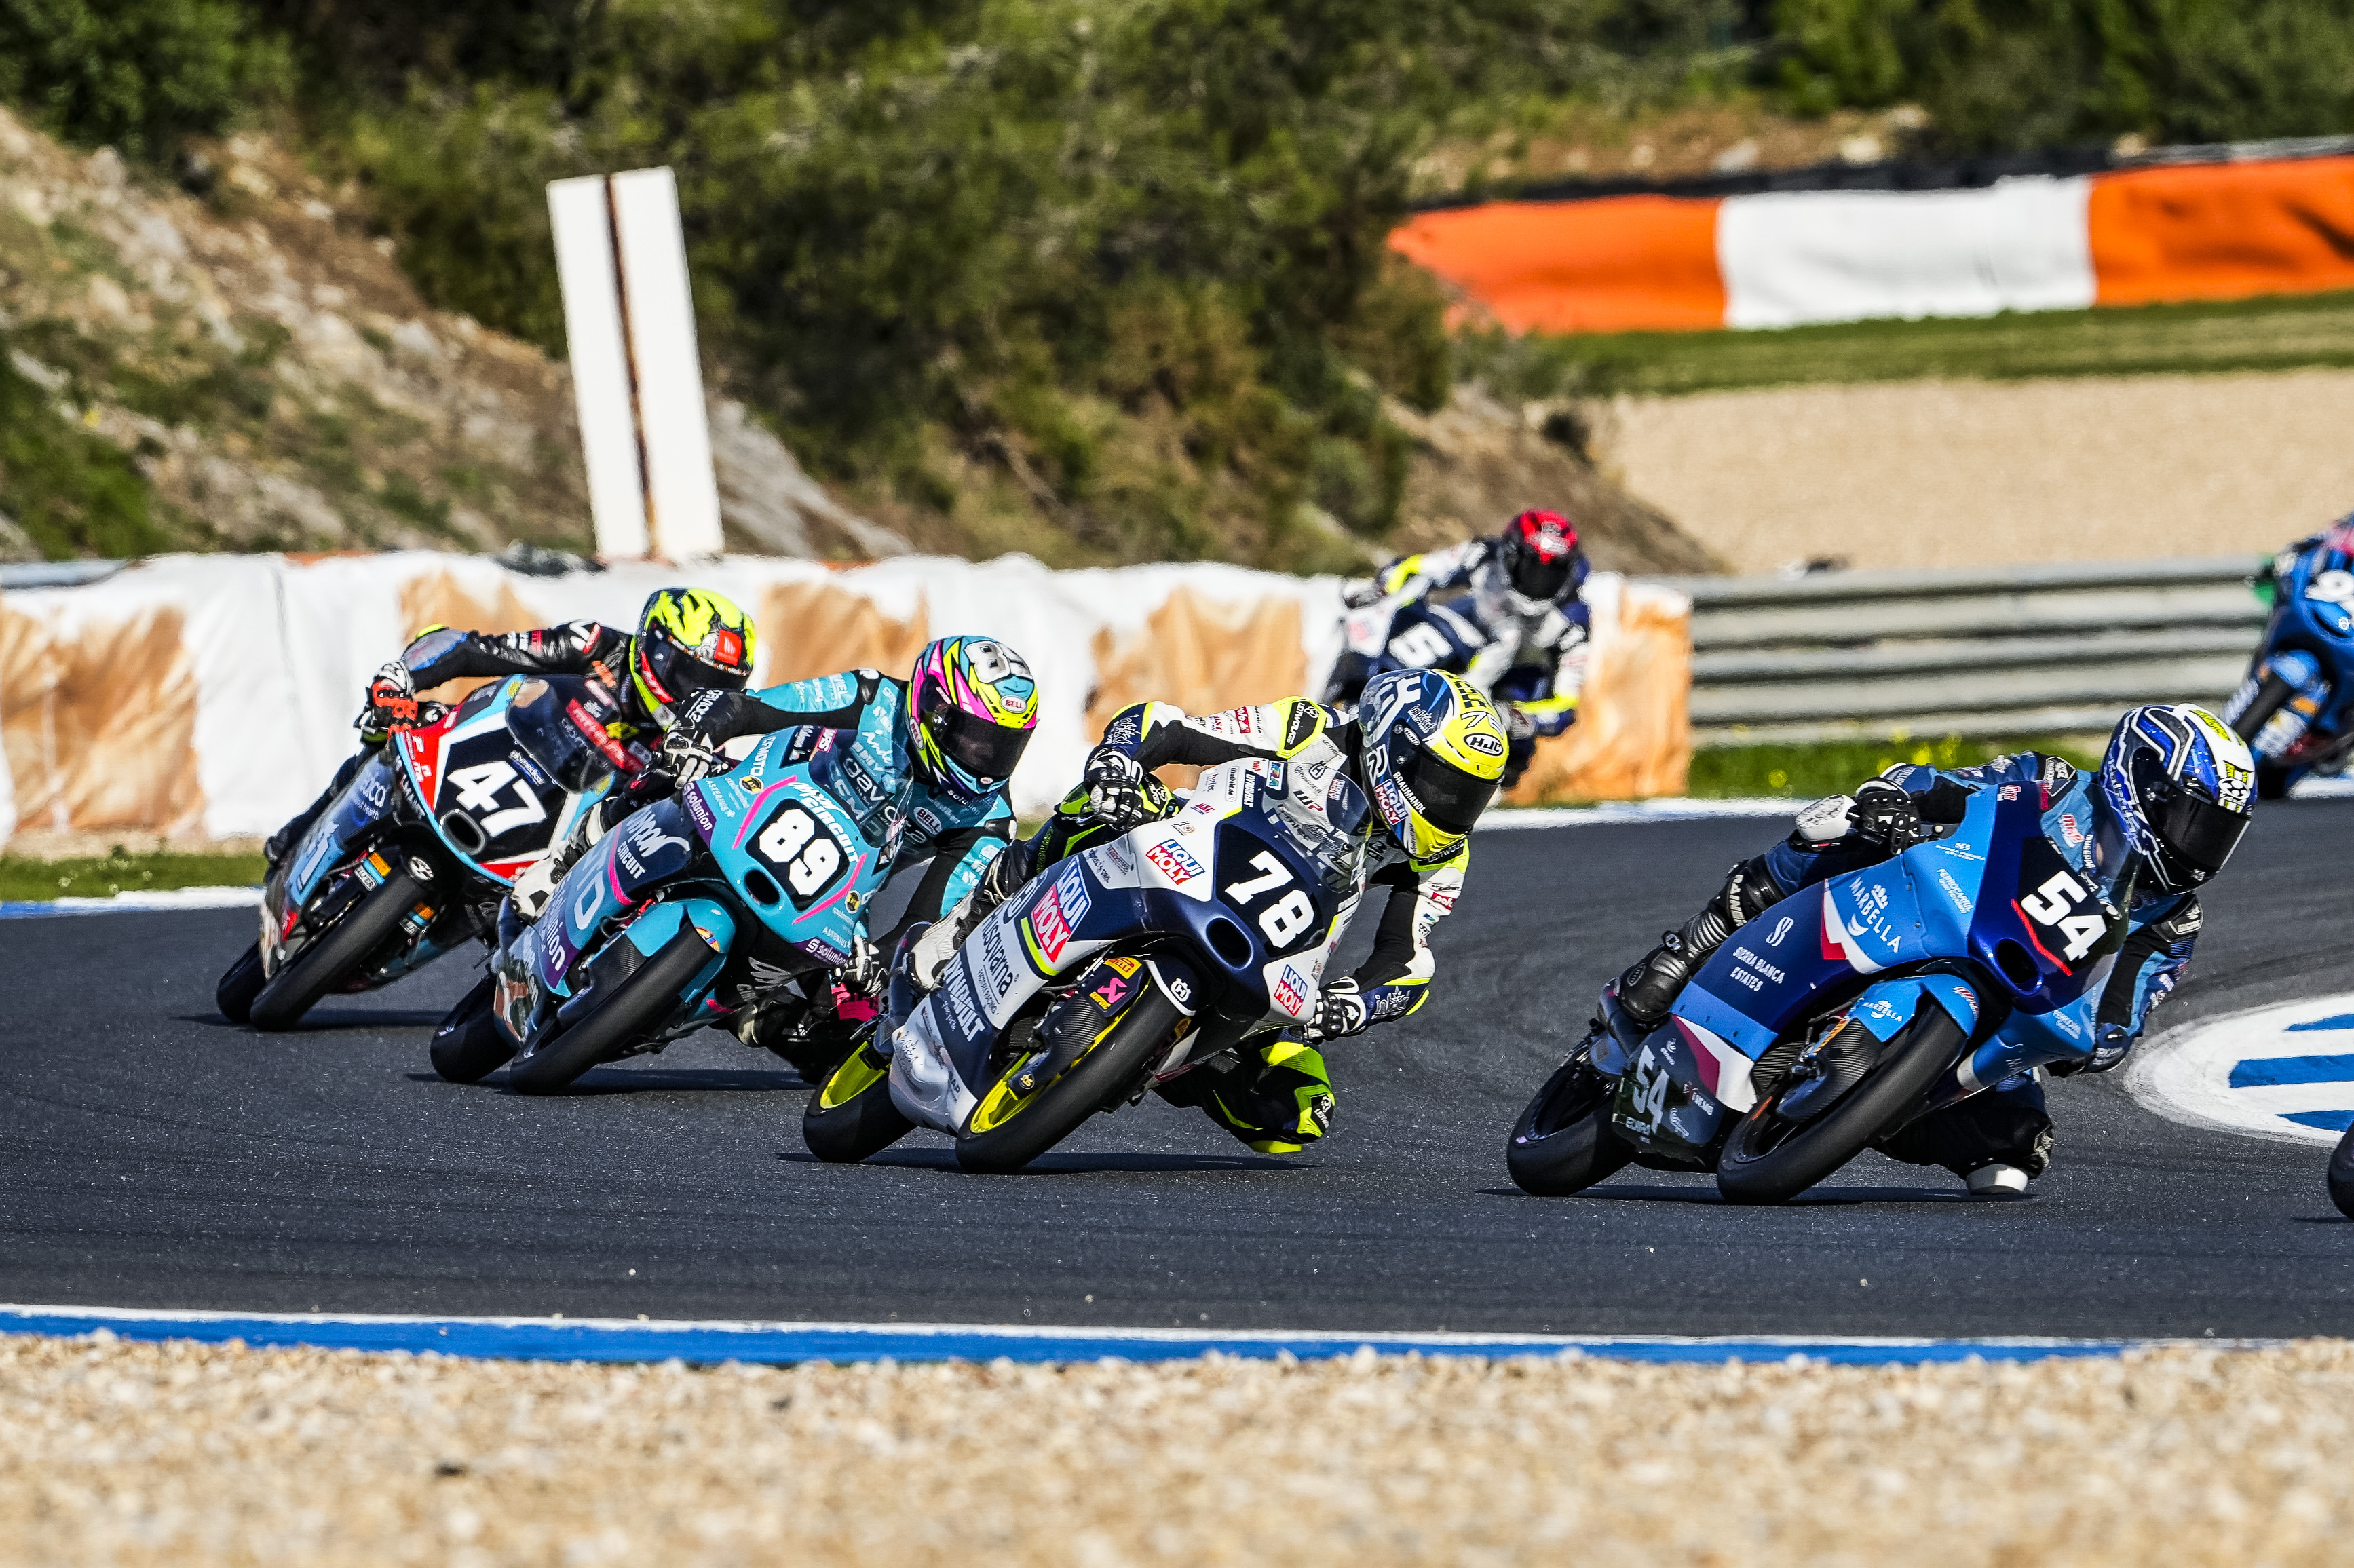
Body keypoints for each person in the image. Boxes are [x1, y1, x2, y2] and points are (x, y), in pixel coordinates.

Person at [1610, 704, 2254, 1195]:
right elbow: (1946, 783)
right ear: (2137, 780)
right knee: (1835, 826)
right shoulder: (2051, 781)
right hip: (1929, 908)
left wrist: (2105, 1039)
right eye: (2190, 821)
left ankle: (1862, 1107)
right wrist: (1901, 798)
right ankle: (1687, 950)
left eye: (2216, 834)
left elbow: (2124, 1008)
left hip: (2000, 1007)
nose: (2196, 847)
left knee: (2015, 1153)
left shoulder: (2173, 917)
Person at [903, 667, 1510, 1154]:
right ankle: (998, 894)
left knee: (1298, 1115)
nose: (1452, 807)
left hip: (1272, 951)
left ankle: (1172, 1059)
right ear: (1394, 747)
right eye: (1442, 783)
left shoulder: (1438, 854)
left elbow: (1407, 956)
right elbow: (1172, 728)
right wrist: (1120, 762)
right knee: (1100, 801)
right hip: (1189, 851)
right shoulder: (1308, 728)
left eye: (1469, 796)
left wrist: (1354, 1000)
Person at [605, 635, 1042, 1068]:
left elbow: (924, 924)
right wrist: (697, 731)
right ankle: (573, 854)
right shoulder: (873, 697)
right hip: (760, 801)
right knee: (662, 780)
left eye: (1002, 746)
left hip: (841, 893)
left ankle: (754, 1013)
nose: (985, 759)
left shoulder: (989, 820)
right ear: (933, 706)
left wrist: (880, 961)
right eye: (975, 738)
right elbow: (750, 707)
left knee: (852, 1033)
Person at [261, 587, 759, 869]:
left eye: (713, 684)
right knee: (390, 730)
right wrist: (403, 680)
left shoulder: (698, 737)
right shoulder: (593, 645)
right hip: (491, 756)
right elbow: (478, 649)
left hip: (553, 840)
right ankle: (310, 823)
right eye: (688, 673)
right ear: (652, 645)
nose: (693, 691)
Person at [1325, 507, 1590, 788]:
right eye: (1532, 569)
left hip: (1513, 678)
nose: (1539, 584)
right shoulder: (1483, 555)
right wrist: (1380, 588)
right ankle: (1354, 706)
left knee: (1516, 717)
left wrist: (1525, 718)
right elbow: (1417, 567)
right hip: (1472, 639)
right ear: (1509, 556)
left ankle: (1474, 785)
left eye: (1552, 575)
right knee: (1415, 638)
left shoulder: (1573, 622)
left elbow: (1566, 706)